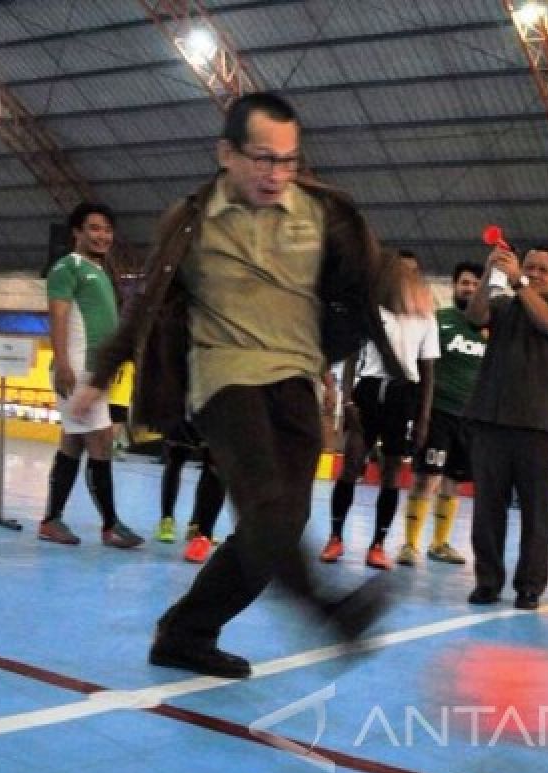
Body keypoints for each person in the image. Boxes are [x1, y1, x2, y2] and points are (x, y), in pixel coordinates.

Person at [75, 91, 399, 679]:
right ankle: (331, 614)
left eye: (289, 160)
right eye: (262, 158)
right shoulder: (191, 219)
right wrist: (102, 374)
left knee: (279, 526)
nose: (276, 174)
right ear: (226, 153)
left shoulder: (325, 214)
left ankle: (186, 631)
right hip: (225, 382)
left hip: (299, 380)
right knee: (271, 512)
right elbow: (145, 302)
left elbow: (366, 278)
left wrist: (400, 290)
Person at [464, 243, 548, 610]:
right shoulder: (502, 305)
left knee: (537, 514)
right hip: (491, 422)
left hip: (539, 427)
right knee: (487, 512)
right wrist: (488, 274)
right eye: (530, 266)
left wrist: (519, 282)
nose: (536, 273)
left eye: (544, 269)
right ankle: (487, 582)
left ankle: (530, 586)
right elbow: (475, 316)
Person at [321, 250, 438, 570]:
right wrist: (347, 401)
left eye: (412, 272)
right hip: (369, 390)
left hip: (404, 395)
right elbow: (348, 358)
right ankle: (335, 537)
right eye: (400, 271)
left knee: (390, 473)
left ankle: (377, 544)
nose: (406, 277)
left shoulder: (426, 317)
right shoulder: (369, 309)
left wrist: (423, 418)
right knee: (352, 464)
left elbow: (427, 371)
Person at [38, 202, 143, 548]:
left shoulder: (101, 271)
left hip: (94, 372)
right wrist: (63, 363)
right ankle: (110, 524)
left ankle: (52, 520)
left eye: (107, 230)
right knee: (100, 442)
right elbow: (59, 315)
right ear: (77, 233)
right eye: (94, 228)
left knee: (73, 443)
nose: (102, 236)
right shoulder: (67, 267)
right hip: (78, 370)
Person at [401, 261, 486, 567]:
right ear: (454, 286)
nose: (471, 289)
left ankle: (440, 543)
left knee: (454, 481)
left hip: (471, 418)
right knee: (427, 478)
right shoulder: (439, 321)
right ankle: (409, 544)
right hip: (438, 411)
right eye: (465, 283)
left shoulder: (489, 328)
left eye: (477, 284)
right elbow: (421, 363)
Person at [154, 420, 227, 564]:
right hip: (186, 406)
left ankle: (202, 532)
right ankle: (167, 519)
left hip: (221, 409)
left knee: (217, 463)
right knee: (176, 456)